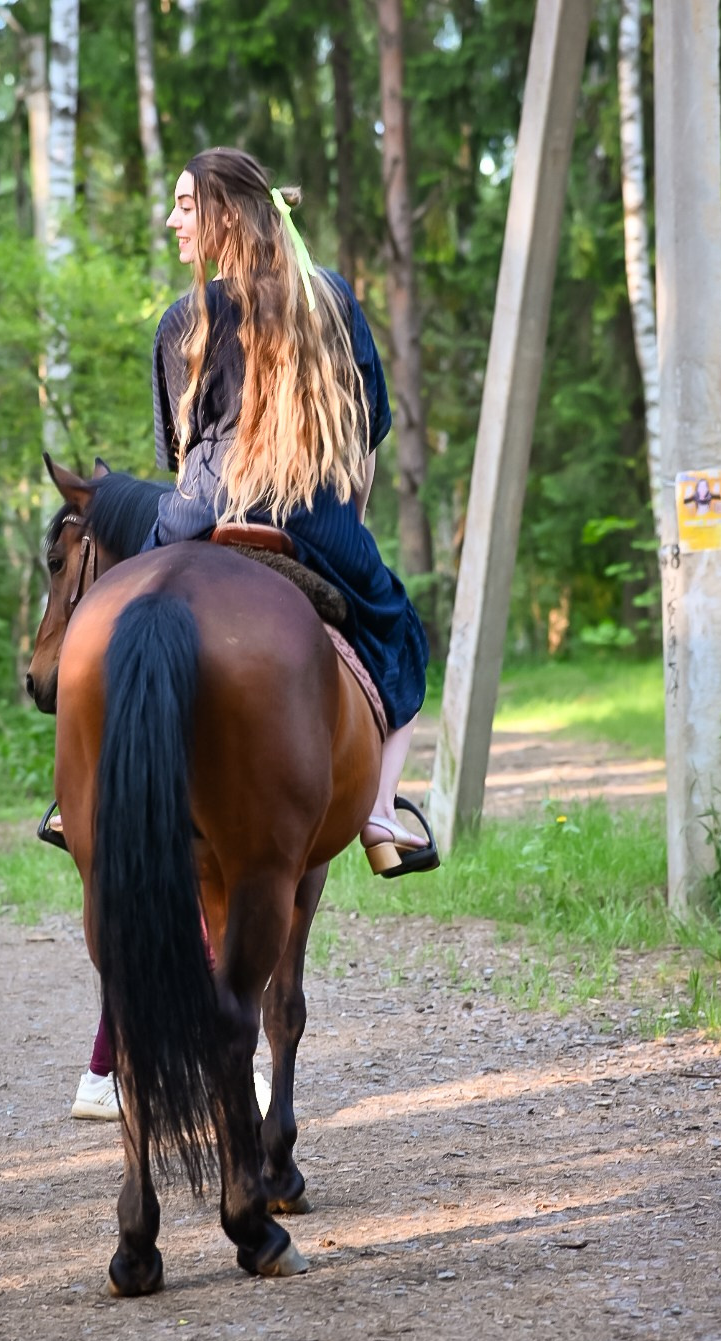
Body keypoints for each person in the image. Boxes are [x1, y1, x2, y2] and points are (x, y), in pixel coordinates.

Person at [70, 145, 436, 1124]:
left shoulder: (181, 319)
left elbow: (175, 448)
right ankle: (381, 815)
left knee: (120, 607)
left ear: (224, 215)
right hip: (311, 517)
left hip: (198, 513)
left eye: (185, 206)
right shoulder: (331, 297)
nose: (173, 222)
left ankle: (80, 799)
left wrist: (189, 509)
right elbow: (373, 422)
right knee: (402, 638)